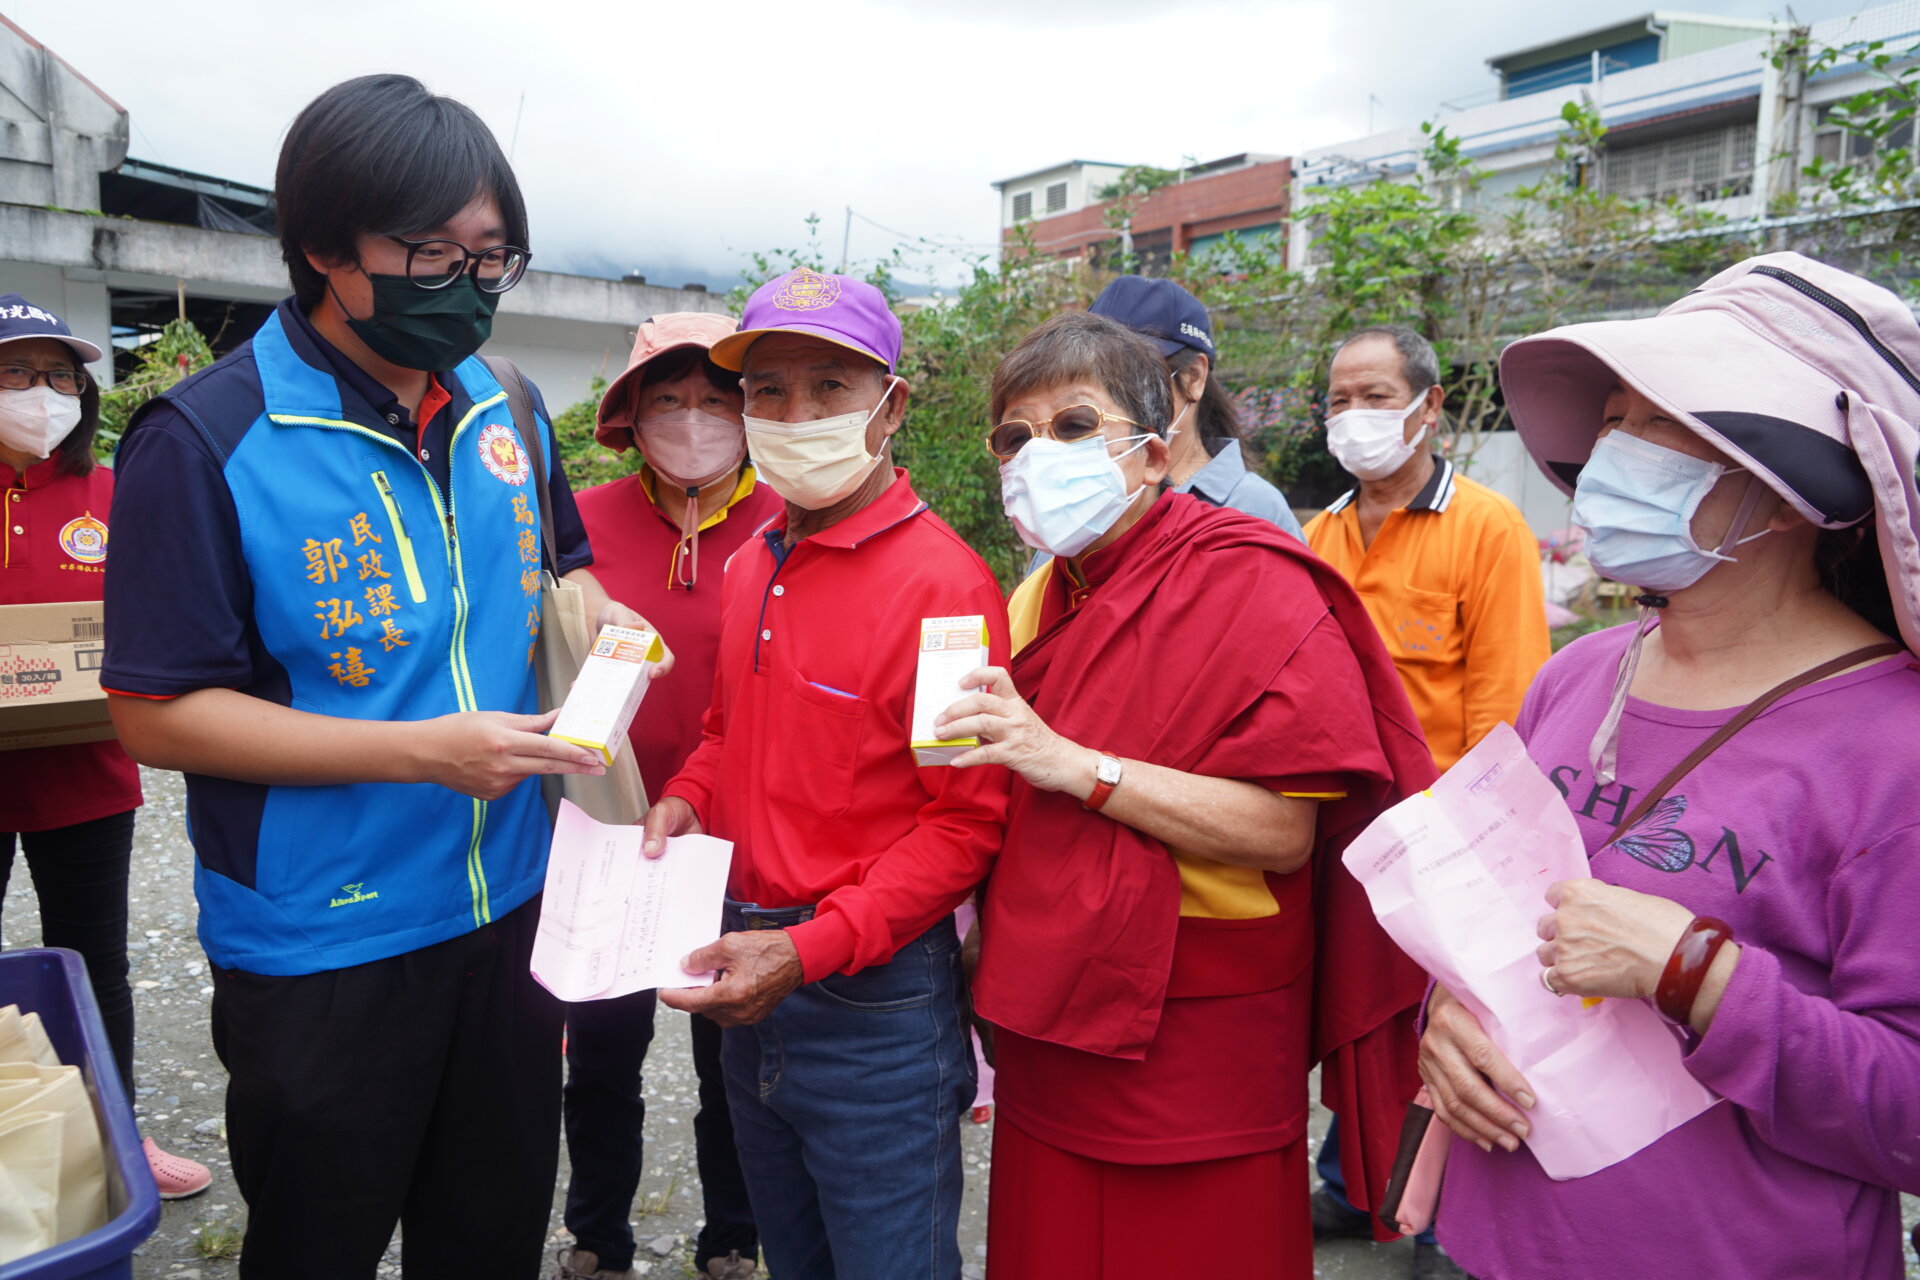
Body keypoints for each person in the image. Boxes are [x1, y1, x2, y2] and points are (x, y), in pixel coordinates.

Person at [101, 76, 653, 1280]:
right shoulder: (204, 439)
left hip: (508, 907)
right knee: (317, 1240)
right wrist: (421, 748)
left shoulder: (506, 405)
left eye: (491, 255)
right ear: (321, 246)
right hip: (320, 936)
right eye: (426, 251)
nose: (463, 282)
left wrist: (609, 640)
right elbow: (154, 710)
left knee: (492, 1230)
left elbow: (561, 565)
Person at [1419, 252, 1920, 1279]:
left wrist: (1702, 976)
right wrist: (1446, 1022)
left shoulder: (1892, 743)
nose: (1611, 454)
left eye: (1658, 425)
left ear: (1791, 491)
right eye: (1610, 419)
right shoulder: (1579, 673)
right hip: (1495, 1244)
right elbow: (1490, 920)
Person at [945, 310, 1433, 1279]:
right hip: (1050, 1009)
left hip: (1197, 1022)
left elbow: (1283, 831)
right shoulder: (1036, 595)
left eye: (1074, 427)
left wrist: (1079, 764)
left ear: (1155, 451)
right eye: (1016, 436)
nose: (1038, 455)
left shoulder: (1253, 580)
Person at [637, 269, 1011, 1280]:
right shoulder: (751, 559)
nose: (792, 415)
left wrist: (810, 949)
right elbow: (725, 731)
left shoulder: (944, 589)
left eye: (829, 388)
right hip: (747, 970)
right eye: (767, 391)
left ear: (889, 407)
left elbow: (963, 826)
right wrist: (685, 796)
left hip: (873, 1003)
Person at [1303, 327, 1549, 1274]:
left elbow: (1505, 706)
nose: (1354, 418)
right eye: (1339, 401)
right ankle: (1348, 1182)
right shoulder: (1320, 534)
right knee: (1363, 1021)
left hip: (1447, 831)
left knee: (1450, 1021)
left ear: (1430, 405)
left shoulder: (1486, 528)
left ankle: (1440, 1216)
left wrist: (1466, 841)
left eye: (1375, 396)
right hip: (1345, 832)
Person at [559, 313, 776, 1280]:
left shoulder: (790, 518)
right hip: (608, 833)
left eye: (717, 400)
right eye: (669, 400)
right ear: (632, 416)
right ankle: (597, 1240)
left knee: (732, 1063)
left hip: (742, 836)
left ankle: (732, 1236)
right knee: (600, 1058)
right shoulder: (581, 523)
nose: (694, 418)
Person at [0, 293, 211, 1200]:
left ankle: (114, 1133)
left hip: (87, 770)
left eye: (58, 375)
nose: (41, 392)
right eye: (16, 374)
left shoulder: (110, 491)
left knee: (94, 962)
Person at [1089, 274, 1304, 538]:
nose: (1109, 400)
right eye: (1092, 380)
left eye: (1133, 375)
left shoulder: (1252, 511)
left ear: (1194, 377)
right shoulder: (1083, 507)